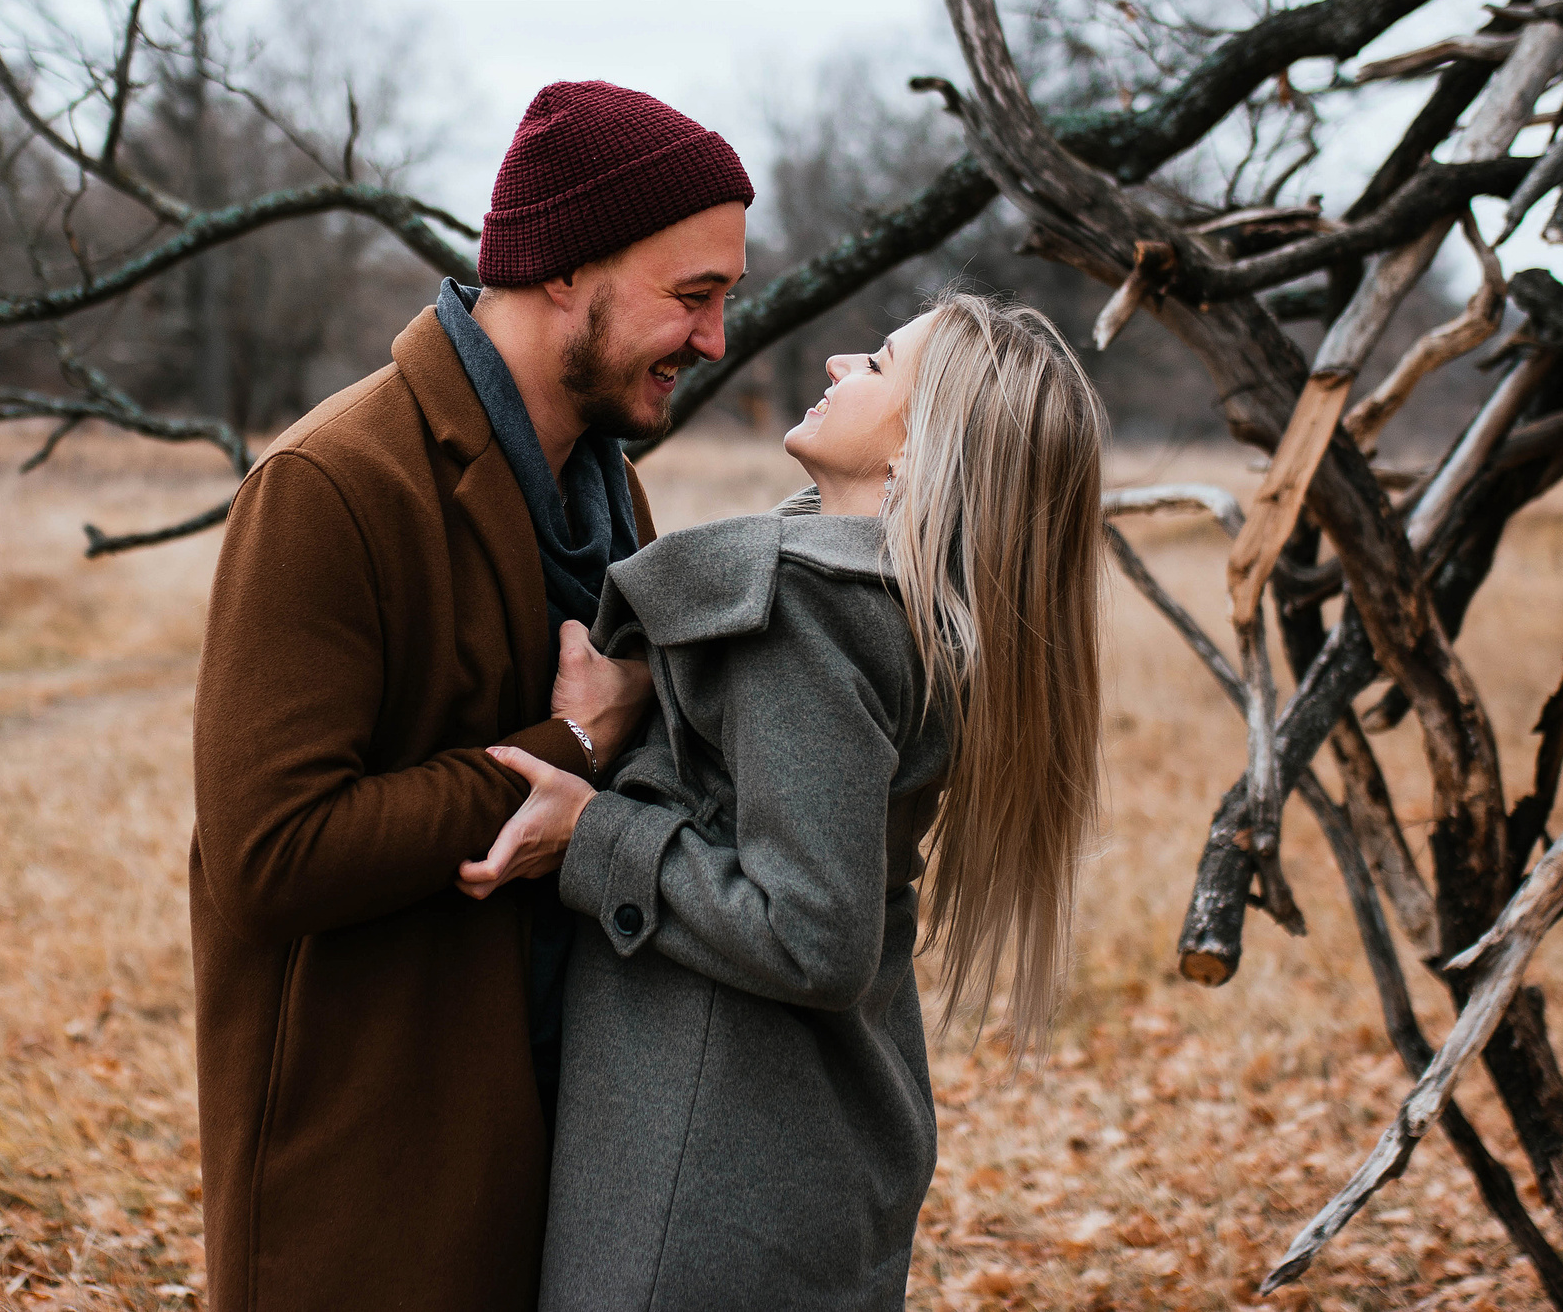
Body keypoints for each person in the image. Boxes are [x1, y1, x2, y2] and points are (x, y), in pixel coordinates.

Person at [187, 81, 750, 1312]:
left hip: (557, 1167)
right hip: (368, 1194)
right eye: (691, 296)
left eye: (725, 300)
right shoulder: (331, 484)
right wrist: (574, 740)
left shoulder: (610, 497)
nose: (714, 341)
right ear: (564, 267)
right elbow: (270, 857)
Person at [460, 291, 1108, 1312]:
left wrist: (591, 830)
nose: (841, 362)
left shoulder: (805, 607)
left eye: (880, 364)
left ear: (917, 452)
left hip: (709, 1171)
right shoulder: (913, 609)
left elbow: (815, 933)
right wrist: (657, 691)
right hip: (810, 1139)